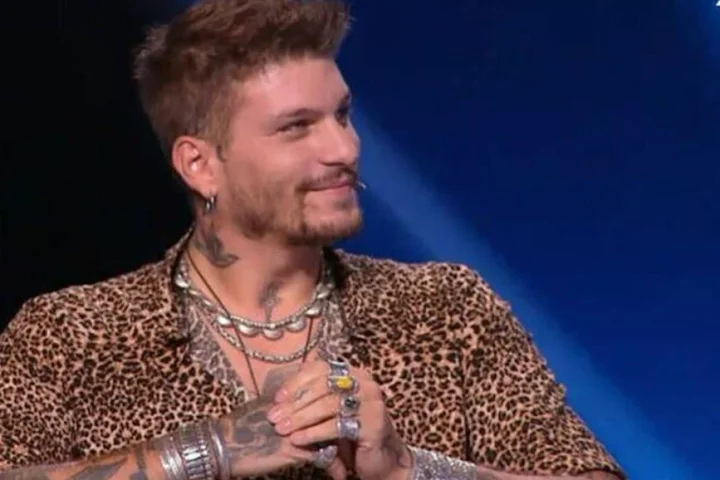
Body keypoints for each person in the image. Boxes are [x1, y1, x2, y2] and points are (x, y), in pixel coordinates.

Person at [0, 0, 626, 479]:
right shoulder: (71, 337)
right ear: (200, 165)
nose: (344, 148)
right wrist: (215, 448)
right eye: (297, 127)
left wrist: (408, 469)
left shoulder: (445, 310)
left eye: (342, 115)